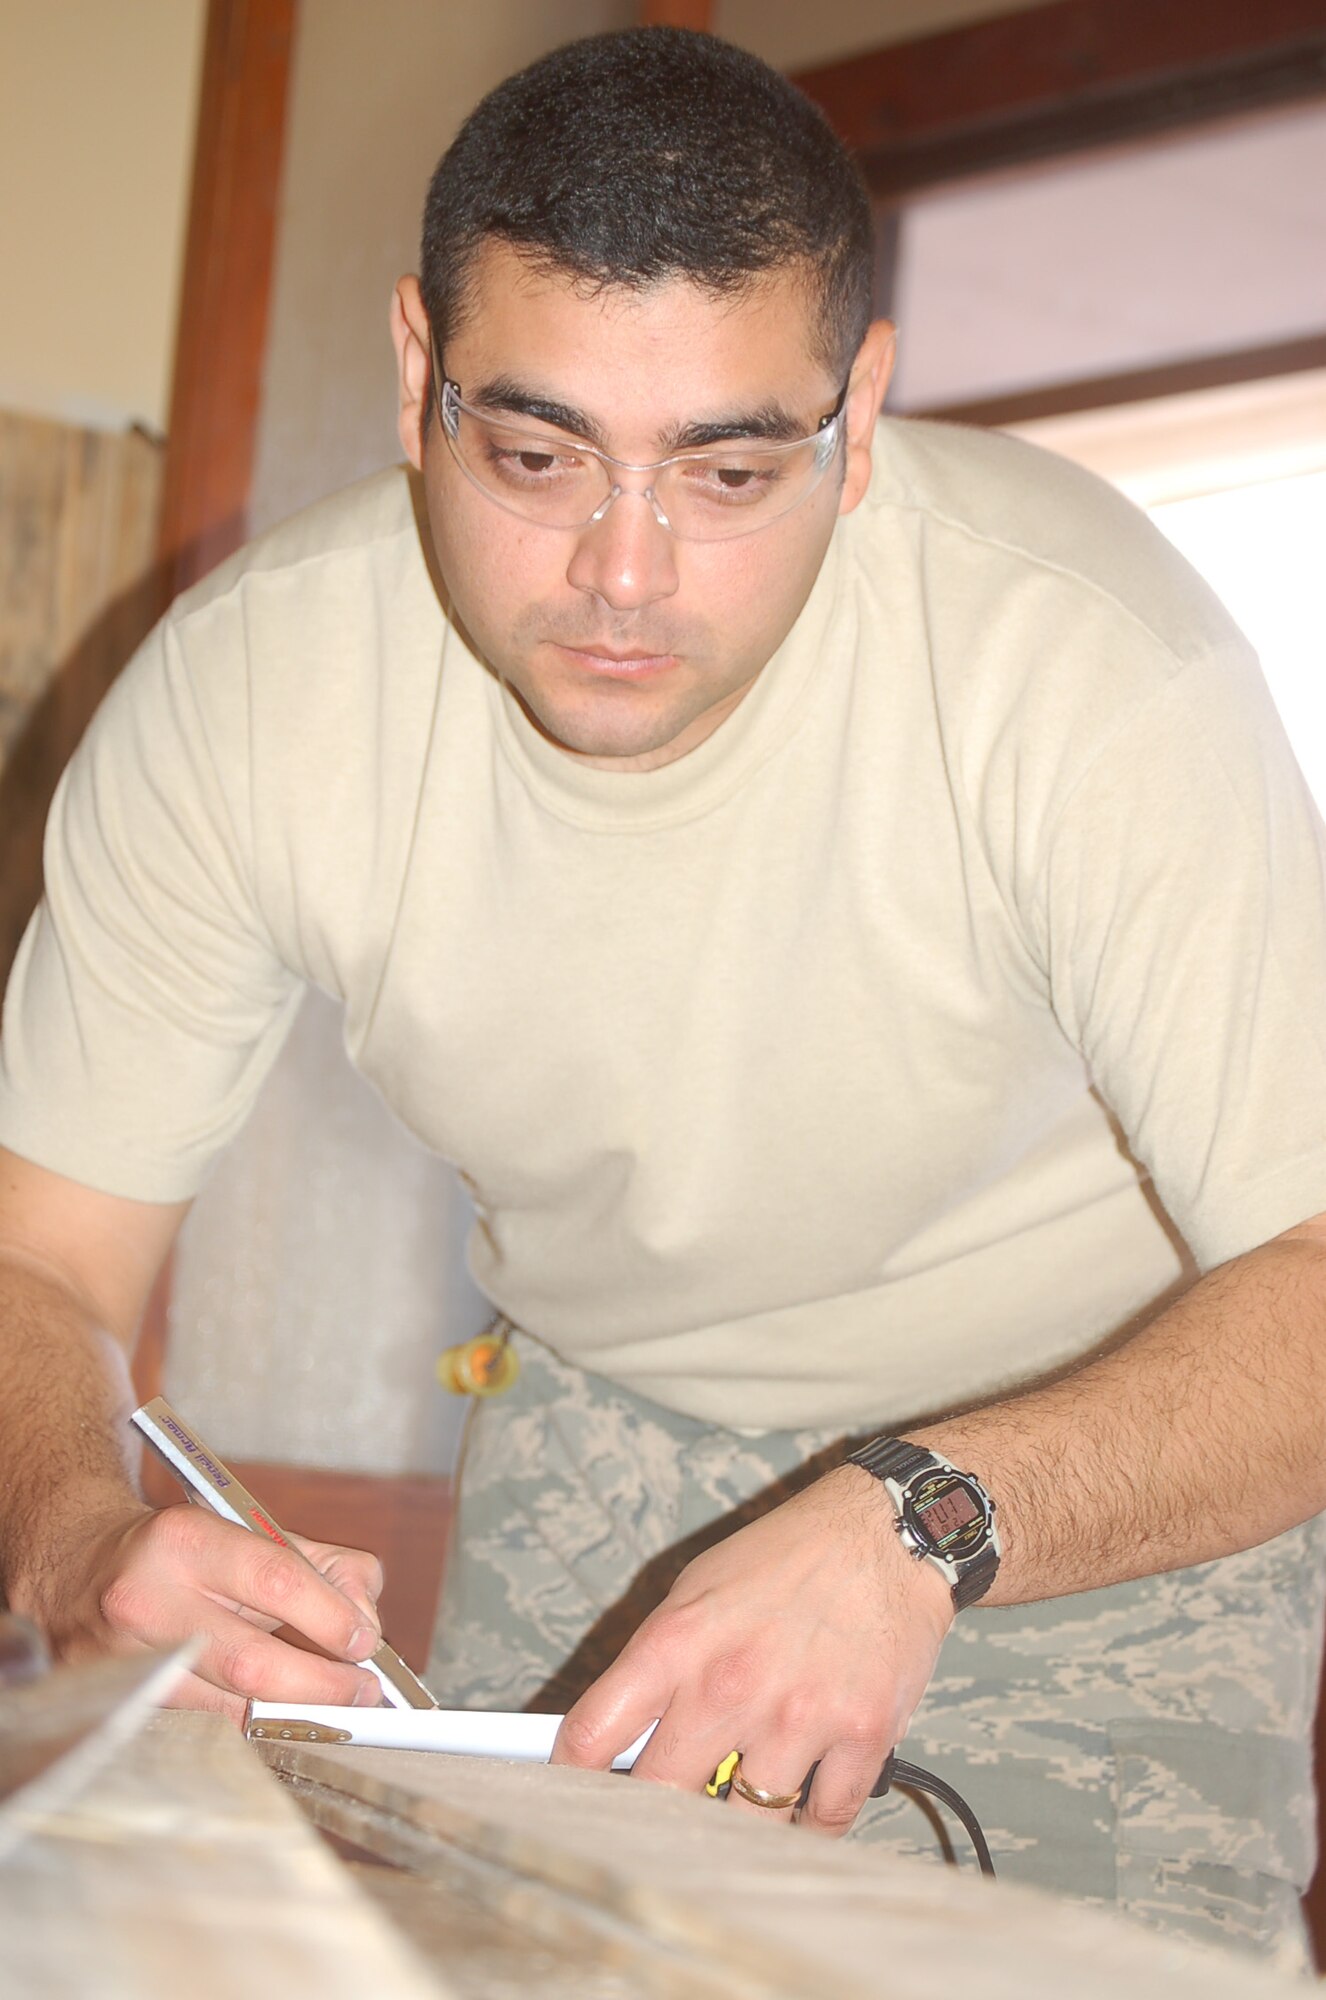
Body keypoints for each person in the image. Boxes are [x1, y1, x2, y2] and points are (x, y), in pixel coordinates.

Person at [2, 25, 1326, 1968]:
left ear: (860, 416)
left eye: (726, 468)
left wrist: (919, 1521)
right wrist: (78, 1539)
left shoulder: (1086, 670)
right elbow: (42, 1265)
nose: (622, 572)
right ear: (415, 380)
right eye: (535, 456)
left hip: (1091, 1450)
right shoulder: (252, 703)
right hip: (612, 1433)